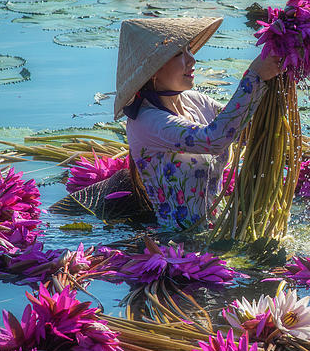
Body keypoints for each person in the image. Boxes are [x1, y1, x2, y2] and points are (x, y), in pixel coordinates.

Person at [114, 16, 281, 230]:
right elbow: (214, 139)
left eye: (189, 50)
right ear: (152, 71)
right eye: (178, 54)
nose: (191, 60)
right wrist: (254, 76)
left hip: (219, 230)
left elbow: (242, 127)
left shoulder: (196, 101)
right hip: (179, 244)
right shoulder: (147, 122)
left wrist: (275, 74)